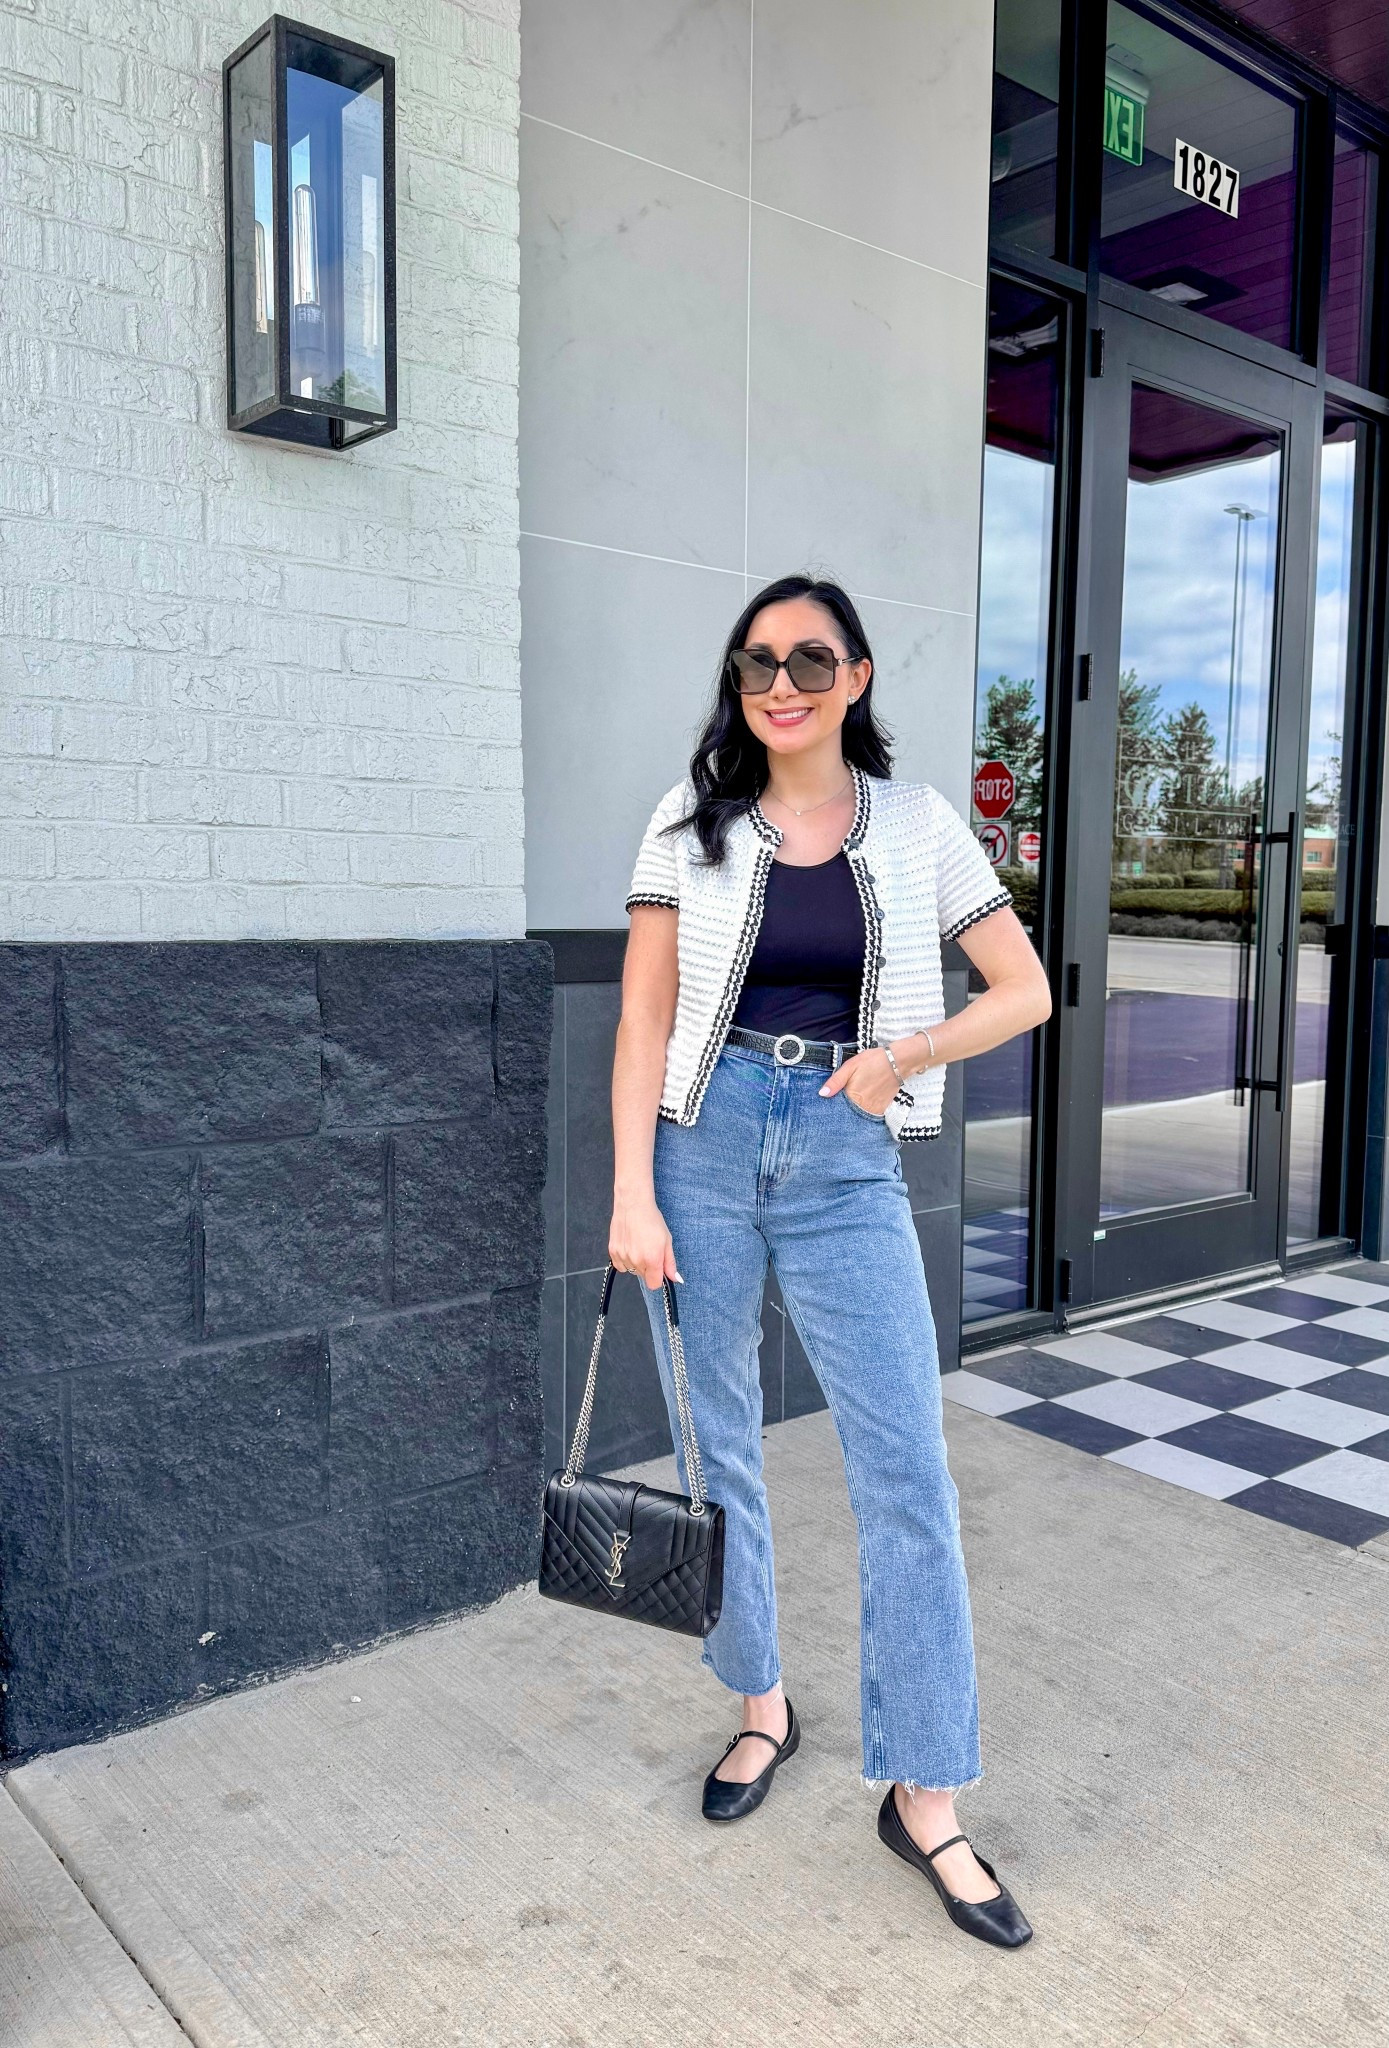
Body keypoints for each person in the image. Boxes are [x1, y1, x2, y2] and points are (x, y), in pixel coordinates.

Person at [608, 574, 1051, 1949]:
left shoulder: (917, 827)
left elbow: (1023, 989)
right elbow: (639, 1023)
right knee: (718, 1437)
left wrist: (902, 1060)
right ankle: (760, 1705)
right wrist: (631, 1192)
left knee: (904, 1469)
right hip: (704, 1137)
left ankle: (924, 1796)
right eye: (756, 663)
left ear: (856, 675)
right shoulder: (692, 825)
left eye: (809, 657)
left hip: (846, 1145)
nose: (780, 682)